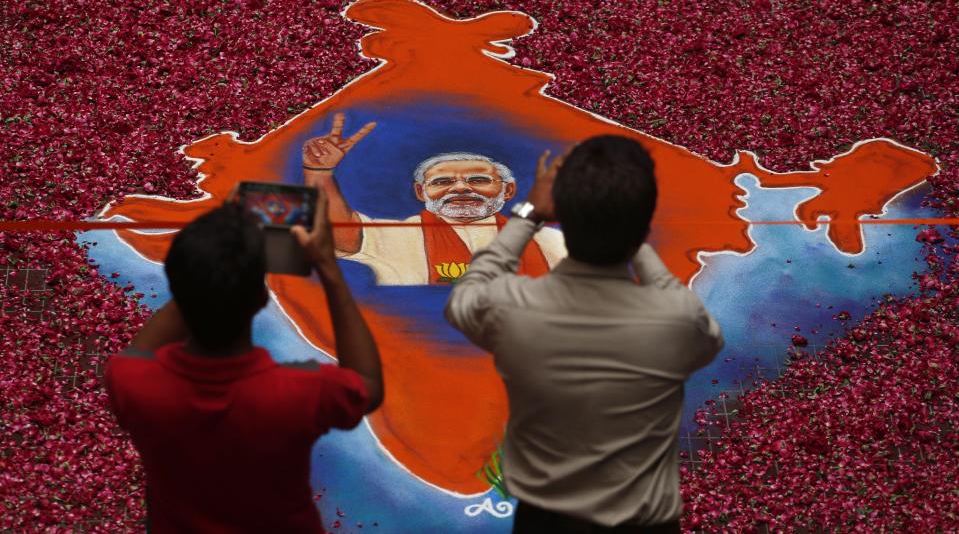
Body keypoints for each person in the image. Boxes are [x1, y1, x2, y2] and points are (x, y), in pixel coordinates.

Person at [444, 135, 723, 533]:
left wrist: (528, 213)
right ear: (642, 225)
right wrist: (630, 232)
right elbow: (701, 329)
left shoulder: (511, 307)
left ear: (562, 219)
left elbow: (468, 291)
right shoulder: (677, 317)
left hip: (546, 521)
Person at [104, 188, 383, 533]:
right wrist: (329, 269)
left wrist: (209, 265)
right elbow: (368, 387)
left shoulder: (130, 380)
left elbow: (144, 347)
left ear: (178, 287)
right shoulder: (299, 392)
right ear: (260, 298)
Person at [302, 112, 566, 285]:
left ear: (507, 191)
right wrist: (320, 173)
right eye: (443, 182)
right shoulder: (400, 236)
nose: (460, 189)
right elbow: (338, 233)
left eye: (478, 180)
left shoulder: (550, 241)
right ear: (421, 192)